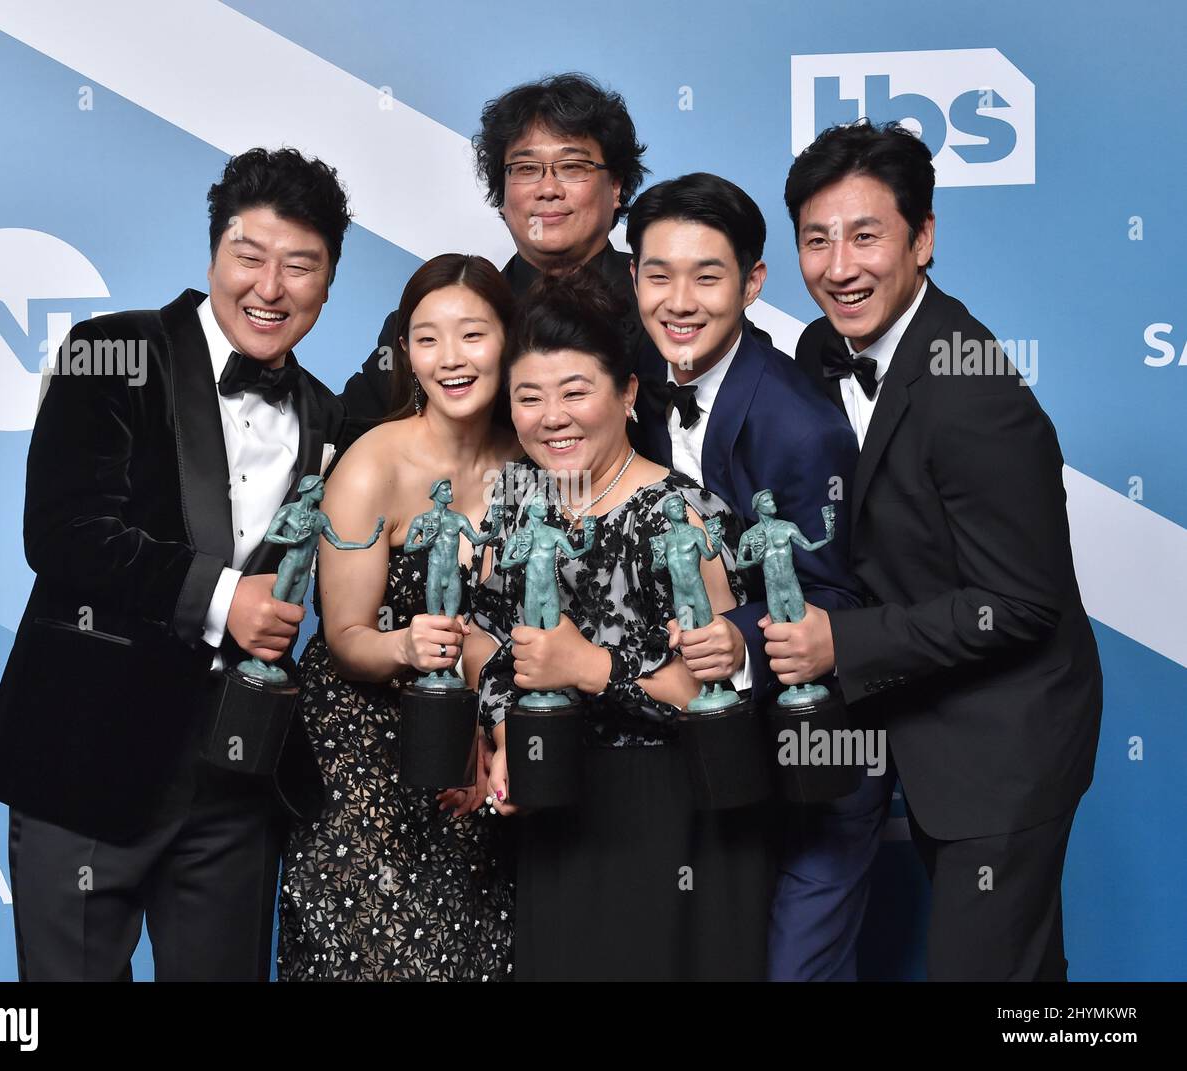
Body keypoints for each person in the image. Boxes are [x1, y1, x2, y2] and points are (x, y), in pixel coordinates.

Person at [0, 148, 351, 981]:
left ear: (327, 283)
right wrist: (221, 598)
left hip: (237, 782)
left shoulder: (330, 416)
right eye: (249, 256)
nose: (270, 286)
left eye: (300, 265)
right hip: (86, 759)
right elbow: (66, 532)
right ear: (213, 252)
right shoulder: (108, 350)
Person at [775, 119, 1102, 981]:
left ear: (923, 239)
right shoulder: (819, 353)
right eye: (817, 239)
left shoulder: (973, 388)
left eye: (867, 234)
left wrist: (842, 643)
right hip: (911, 723)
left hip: (1007, 738)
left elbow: (1023, 604)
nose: (839, 266)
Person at [468, 271, 776, 981]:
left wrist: (587, 668)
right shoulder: (516, 501)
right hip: (559, 808)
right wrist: (504, 720)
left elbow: (716, 698)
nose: (552, 416)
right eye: (528, 396)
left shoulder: (683, 515)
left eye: (575, 391)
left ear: (629, 394)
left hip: (678, 815)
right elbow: (479, 633)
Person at [625, 172, 874, 981]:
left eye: (707, 275)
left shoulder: (802, 427)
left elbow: (838, 595)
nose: (679, 300)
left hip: (816, 755)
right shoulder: (642, 385)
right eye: (658, 274)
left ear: (753, 282)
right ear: (633, 280)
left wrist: (731, 647)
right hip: (706, 757)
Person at [276, 254, 518, 981]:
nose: (451, 359)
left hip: (478, 759)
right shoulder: (370, 464)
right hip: (365, 764)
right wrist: (406, 643)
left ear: (509, 340)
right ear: (405, 352)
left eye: (473, 334)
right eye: (428, 338)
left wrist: (499, 727)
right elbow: (346, 639)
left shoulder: (535, 462)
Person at [337, 73, 775, 456]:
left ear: (617, 187)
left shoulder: (671, 306)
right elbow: (350, 440)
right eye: (526, 169)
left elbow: (759, 415)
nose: (548, 189)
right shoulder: (442, 315)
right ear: (502, 193)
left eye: (572, 166)